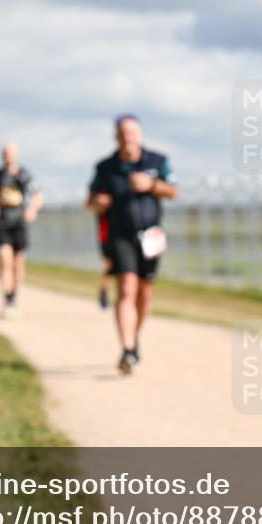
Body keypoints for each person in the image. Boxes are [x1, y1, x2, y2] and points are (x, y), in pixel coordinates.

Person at [88, 114, 177, 374]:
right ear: (116, 136)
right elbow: (90, 200)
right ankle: (127, 349)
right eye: (123, 133)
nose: (128, 137)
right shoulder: (105, 168)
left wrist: (152, 185)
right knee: (126, 287)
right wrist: (98, 203)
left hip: (150, 236)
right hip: (119, 234)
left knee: (144, 292)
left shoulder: (157, 161)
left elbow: (173, 191)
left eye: (132, 132)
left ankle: (134, 337)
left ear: (139, 134)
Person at [0, 142, 43, 317]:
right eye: (5, 153)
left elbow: (38, 195)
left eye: (11, 153)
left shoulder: (24, 175)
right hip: (3, 223)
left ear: (16, 155)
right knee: (5, 258)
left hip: (20, 223)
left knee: (18, 264)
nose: (8, 156)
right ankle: (7, 297)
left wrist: (33, 209)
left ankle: (14, 295)